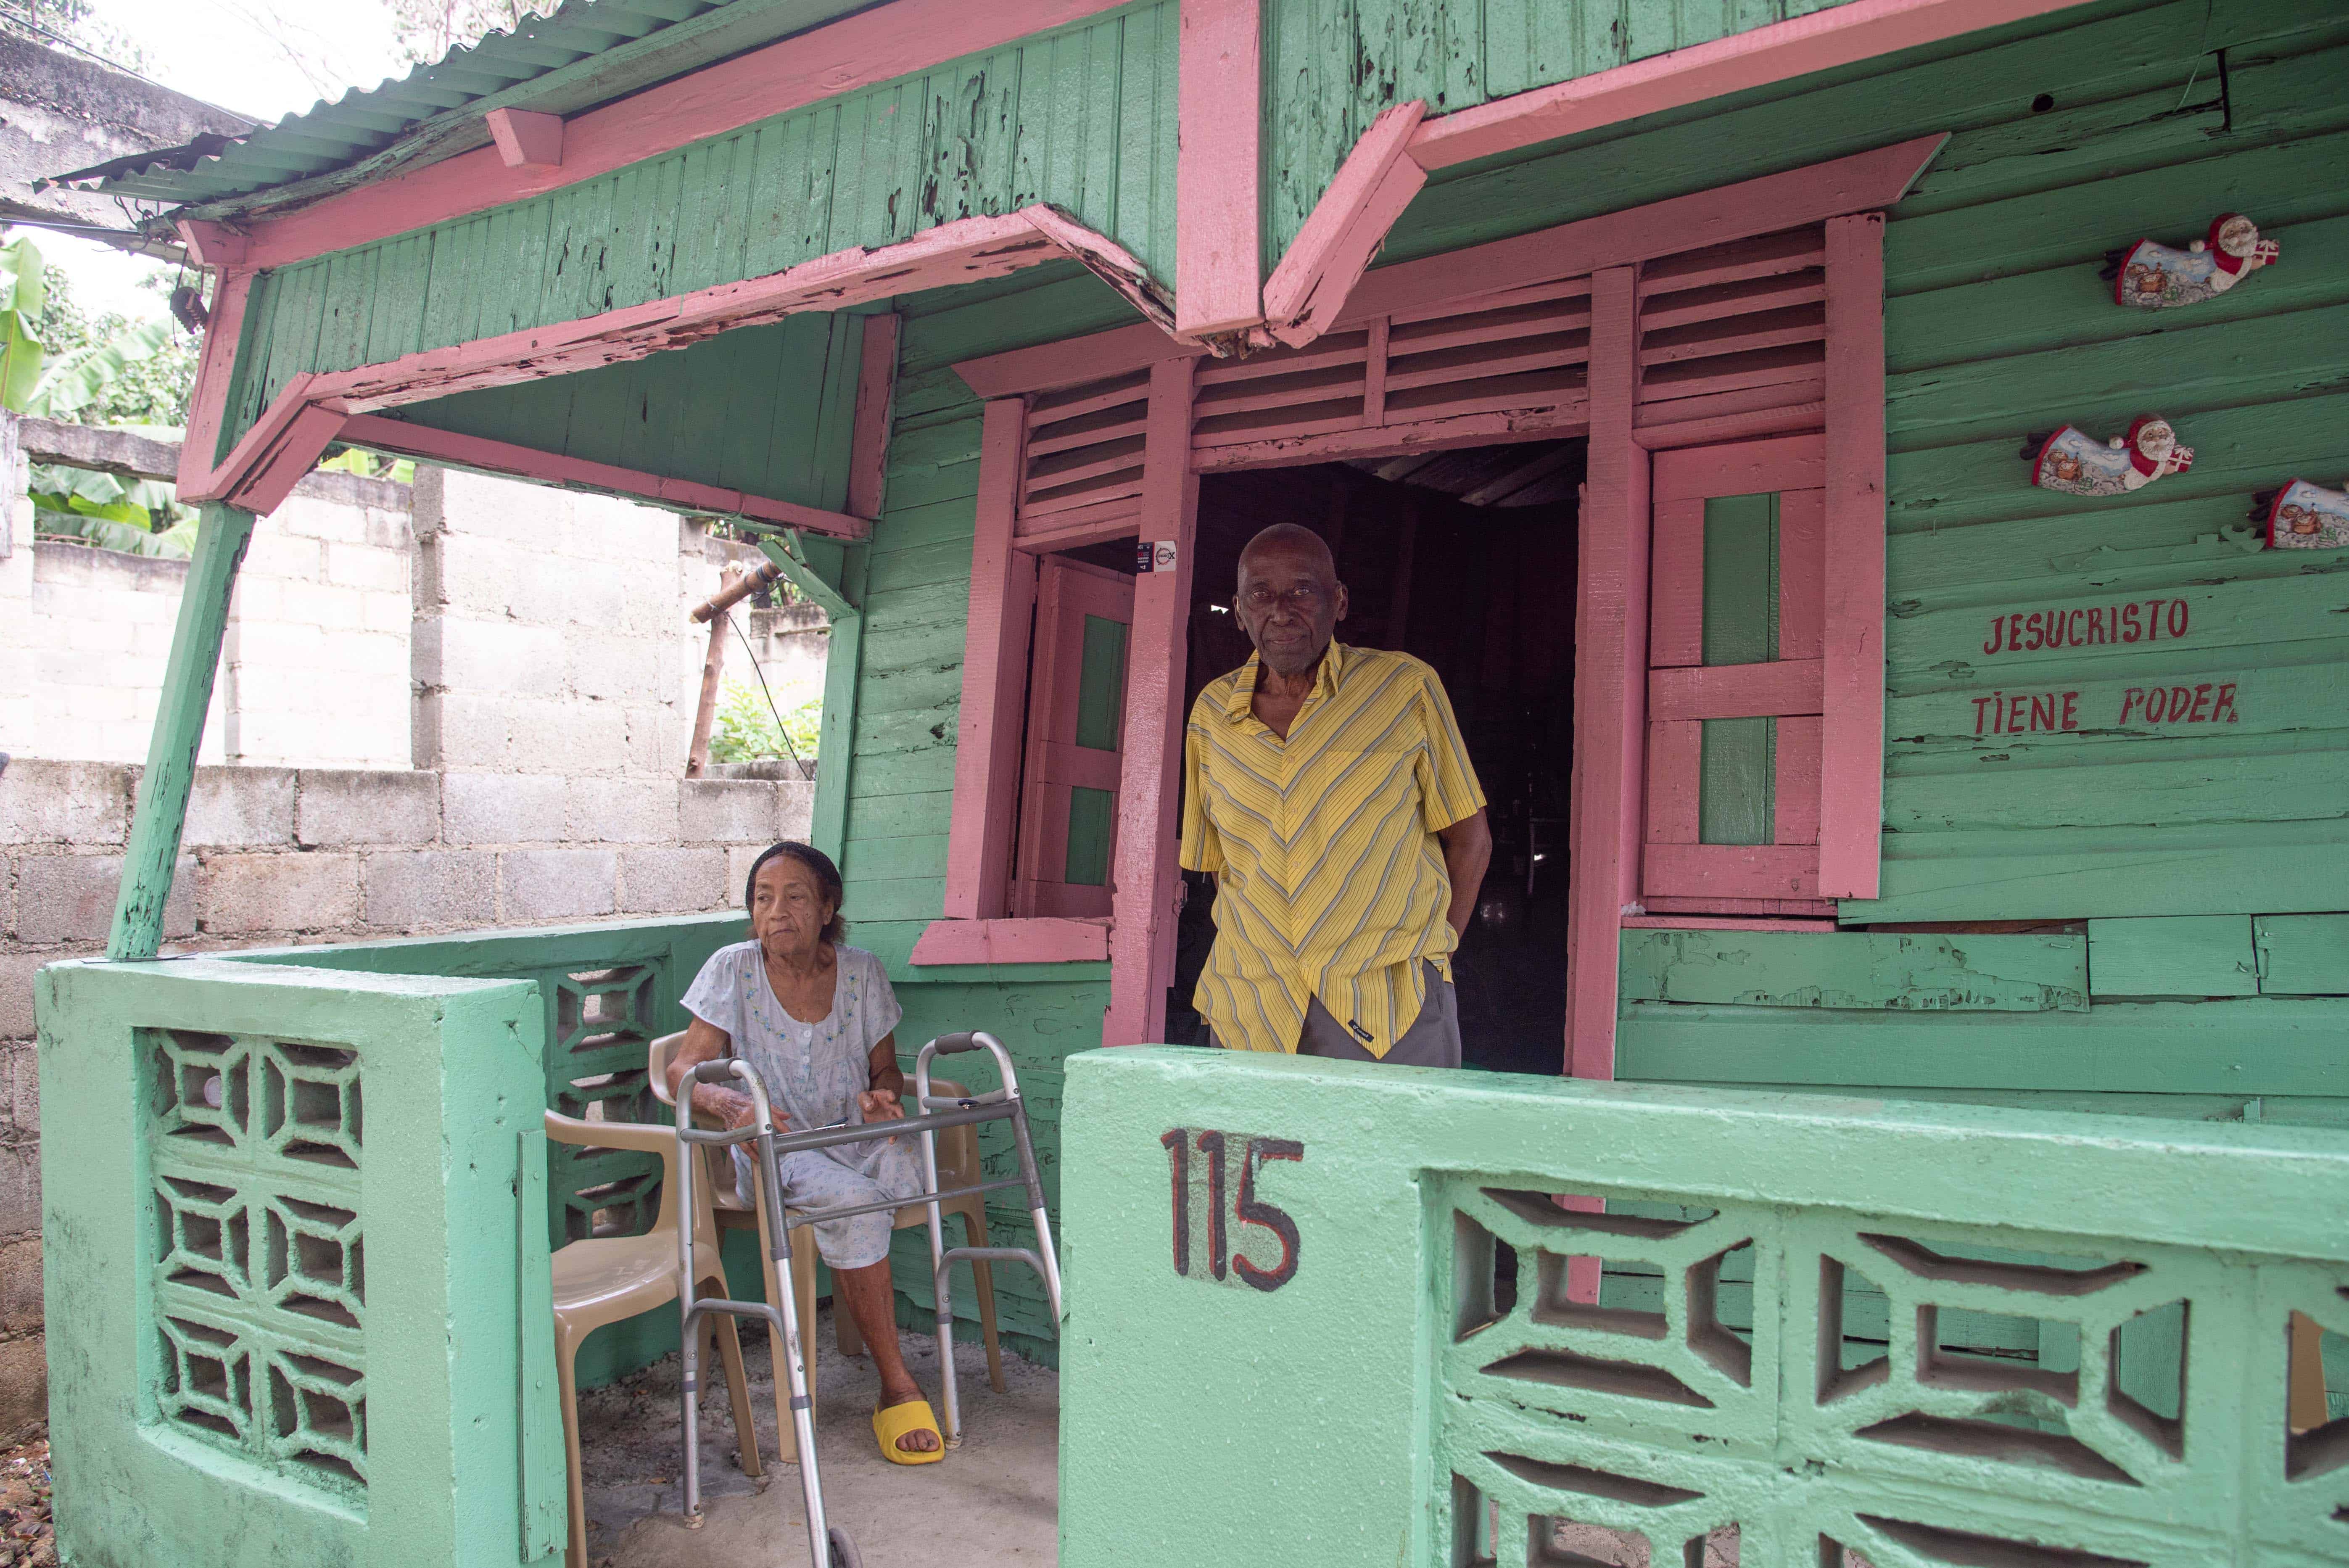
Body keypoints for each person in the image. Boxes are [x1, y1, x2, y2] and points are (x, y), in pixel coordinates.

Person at [665, 841, 942, 1463]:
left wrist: (882, 1096)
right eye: (763, 897)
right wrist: (729, 1103)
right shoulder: (733, 968)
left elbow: (887, 1069)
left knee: (908, 1170)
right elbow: (679, 1069)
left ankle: (866, 1305)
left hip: (847, 1130)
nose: (776, 910)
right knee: (856, 1202)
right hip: (775, 1142)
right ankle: (896, 1383)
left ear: (828, 906)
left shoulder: (862, 971)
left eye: (794, 895)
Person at [1180, 523, 1492, 1065]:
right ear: (1238, 609)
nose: (1281, 610)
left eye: (1302, 590)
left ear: (1339, 600)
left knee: (1401, 1152)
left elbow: (1471, 842)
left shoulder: (1404, 687)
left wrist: (1432, 955)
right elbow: (1218, 866)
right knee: (1262, 1152)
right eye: (1261, 593)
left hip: (1389, 1007)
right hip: (1251, 1006)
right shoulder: (1212, 715)